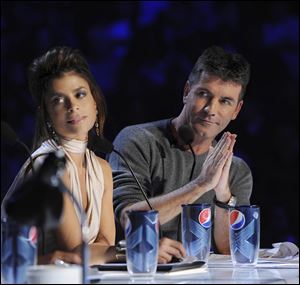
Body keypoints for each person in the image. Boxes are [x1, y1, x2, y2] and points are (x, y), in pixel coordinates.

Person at [109, 45, 253, 263]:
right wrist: (202, 184)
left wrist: (223, 195)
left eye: (225, 101)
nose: (211, 109)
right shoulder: (137, 140)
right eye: (204, 94)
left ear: (236, 110)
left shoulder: (236, 169)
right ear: (187, 92)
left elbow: (229, 252)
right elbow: (131, 218)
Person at [1, 46, 117, 266]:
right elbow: (74, 252)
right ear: (47, 115)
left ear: (95, 102)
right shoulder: (48, 163)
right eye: (58, 100)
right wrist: (129, 249)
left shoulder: (102, 168)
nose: (72, 106)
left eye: (80, 94)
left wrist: (105, 252)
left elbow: (104, 244)